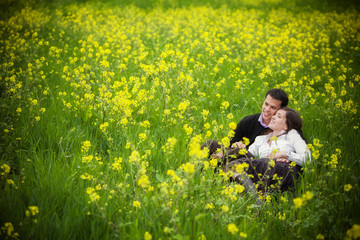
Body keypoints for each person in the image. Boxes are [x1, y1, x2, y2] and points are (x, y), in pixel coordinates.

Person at [224, 107, 311, 197]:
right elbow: (250, 157)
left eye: (279, 116)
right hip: (261, 169)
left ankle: (256, 201)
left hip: (282, 170)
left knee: (235, 166)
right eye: (275, 114)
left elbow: (307, 159)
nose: (273, 117)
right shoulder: (260, 139)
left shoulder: (291, 135)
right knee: (219, 148)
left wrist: (285, 154)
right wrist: (240, 148)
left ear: (286, 126)